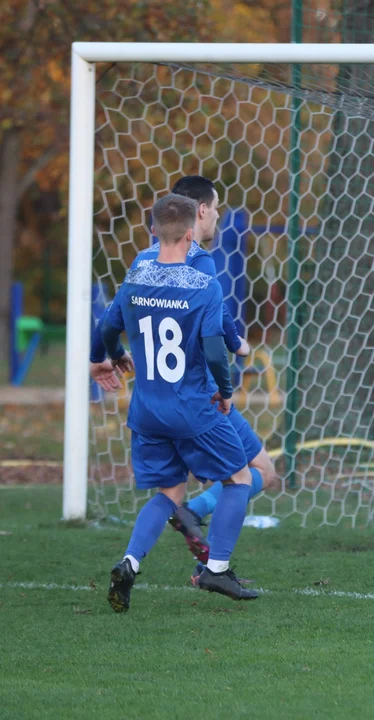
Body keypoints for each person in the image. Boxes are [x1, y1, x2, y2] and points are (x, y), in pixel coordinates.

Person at [90, 176, 276, 567]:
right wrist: (236, 341)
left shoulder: (144, 262)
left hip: (151, 402)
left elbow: (110, 321)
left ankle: (151, 544)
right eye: (216, 207)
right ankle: (208, 543)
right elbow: (215, 318)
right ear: (199, 215)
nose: (219, 216)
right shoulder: (201, 262)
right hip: (201, 396)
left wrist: (102, 356)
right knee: (255, 472)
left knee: (172, 489)